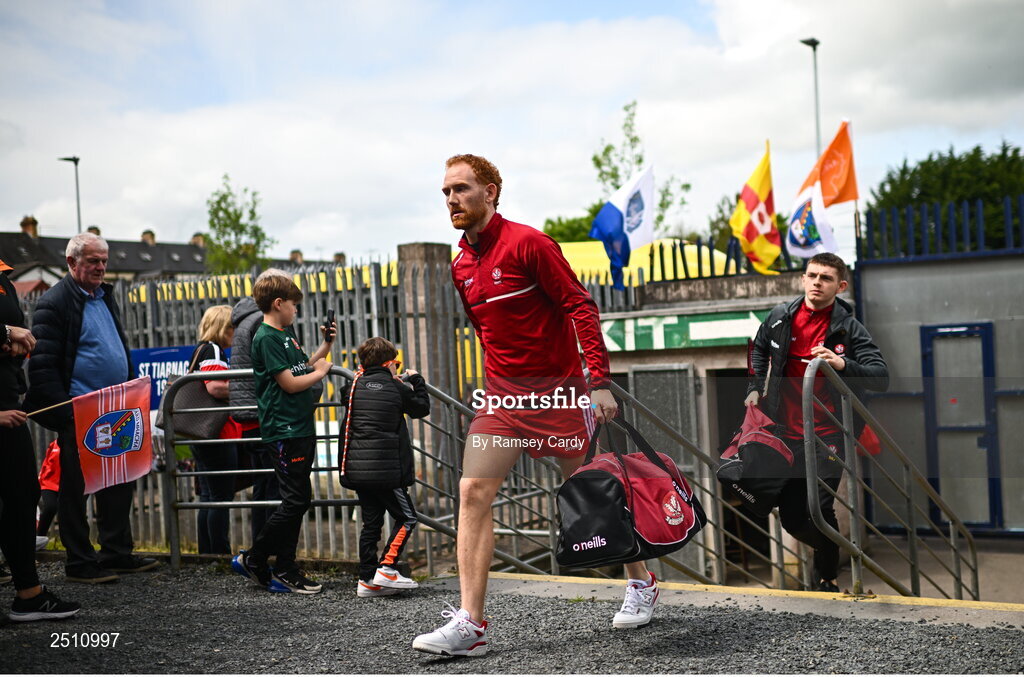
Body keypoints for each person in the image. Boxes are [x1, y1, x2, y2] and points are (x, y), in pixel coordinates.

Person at [412, 155, 653, 658]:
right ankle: (471, 624)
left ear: (491, 191)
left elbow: (580, 307)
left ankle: (641, 580)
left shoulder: (530, 243)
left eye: (461, 189)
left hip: (558, 394)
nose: (452, 199)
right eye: (446, 192)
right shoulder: (460, 264)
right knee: (473, 489)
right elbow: (485, 332)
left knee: (590, 492)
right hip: (501, 400)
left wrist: (599, 381)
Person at [745, 252, 888, 592]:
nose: (816, 283)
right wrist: (754, 386)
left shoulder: (849, 328)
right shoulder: (781, 316)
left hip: (828, 435)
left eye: (825, 278)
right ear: (803, 279)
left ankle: (825, 578)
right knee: (793, 515)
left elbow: (880, 377)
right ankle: (828, 554)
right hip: (786, 433)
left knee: (820, 508)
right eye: (812, 275)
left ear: (839, 286)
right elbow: (759, 347)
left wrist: (841, 364)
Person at [25, 233, 158, 584]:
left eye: (104, 260)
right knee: (75, 489)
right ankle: (80, 562)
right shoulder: (54, 303)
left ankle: (116, 553)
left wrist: (131, 392)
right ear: (72, 263)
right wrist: (66, 416)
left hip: (114, 411)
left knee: (119, 482)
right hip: (80, 413)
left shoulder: (102, 296)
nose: (101, 267)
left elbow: (116, 347)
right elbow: (42, 365)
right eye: (93, 261)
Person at [231, 269, 334, 594]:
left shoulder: (285, 335)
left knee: (297, 500)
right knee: (294, 500)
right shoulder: (267, 337)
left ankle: (283, 566)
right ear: (278, 304)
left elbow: (302, 366)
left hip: (299, 426)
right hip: (284, 429)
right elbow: (290, 382)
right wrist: (321, 374)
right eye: (293, 304)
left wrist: (325, 346)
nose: (297, 310)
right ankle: (259, 558)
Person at [0, 256, 80, 620]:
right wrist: (6, 333)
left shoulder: (5, 279)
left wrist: (15, 342)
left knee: (22, 496)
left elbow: (16, 331)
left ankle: (28, 593)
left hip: (8, 401)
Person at [339, 337, 430, 598]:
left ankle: (367, 580)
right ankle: (387, 567)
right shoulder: (397, 388)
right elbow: (421, 408)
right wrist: (416, 381)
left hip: (358, 470)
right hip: (387, 472)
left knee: (371, 523)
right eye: (397, 364)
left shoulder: (353, 386)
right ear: (390, 364)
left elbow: (343, 395)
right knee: (408, 517)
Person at [229, 291, 281, 543]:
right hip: (264, 415)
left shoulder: (244, 322)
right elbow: (280, 370)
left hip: (251, 416)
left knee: (264, 487)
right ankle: (265, 551)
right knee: (273, 488)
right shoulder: (262, 322)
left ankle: (261, 549)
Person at [189, 305, 240, 555]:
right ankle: (219, 552)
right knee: (220, 497)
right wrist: (244, 391)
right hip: (217, 433)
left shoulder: (201, 349)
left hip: (200, 432)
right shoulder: (214, 351)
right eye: (232, 326)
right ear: (223, 327)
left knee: (208, 496)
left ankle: (206, 552)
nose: (235, 331)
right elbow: (216, 388)